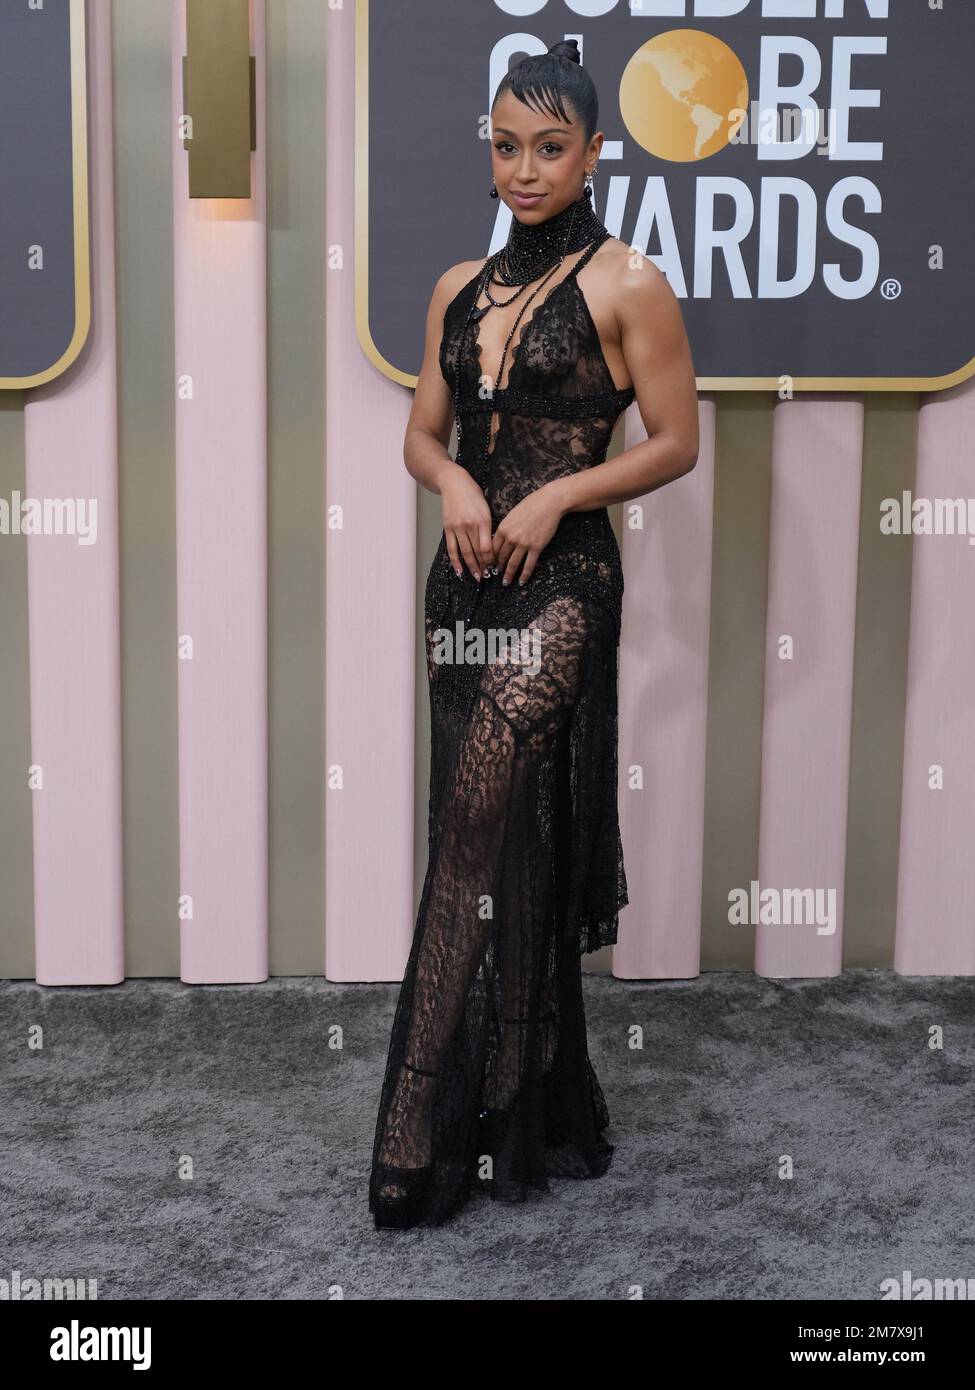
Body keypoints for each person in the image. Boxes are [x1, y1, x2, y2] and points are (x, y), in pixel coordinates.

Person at [368, 39, 699, 1229]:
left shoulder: (629, 284)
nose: (525, 167)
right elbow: (421, 430)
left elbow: (675, 439)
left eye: (550, 147)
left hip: (565, 587)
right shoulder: (459, 285)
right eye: (507, 145)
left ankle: (414, 1122)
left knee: (474, 827)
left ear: (595, 151)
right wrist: (452, 481)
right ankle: (519, 1112)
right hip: (463, 587)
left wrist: (560, 492)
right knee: (497, 846)